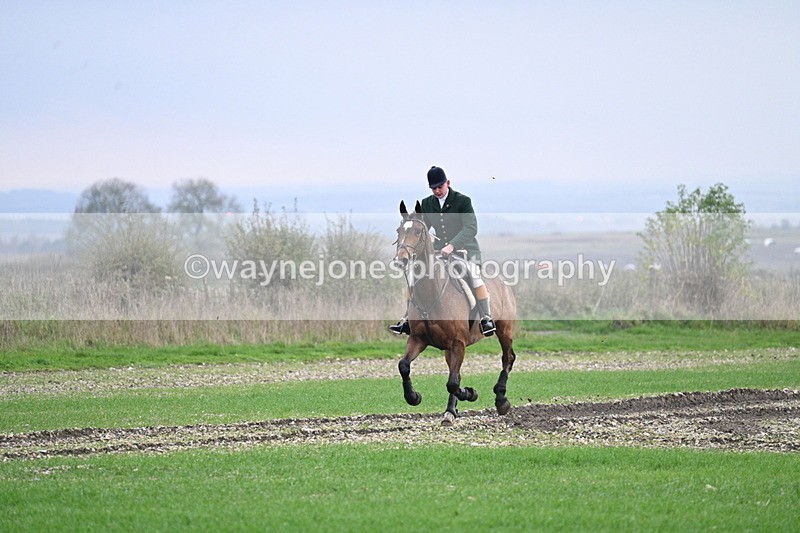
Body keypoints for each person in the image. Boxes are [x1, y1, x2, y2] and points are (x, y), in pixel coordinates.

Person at [389, 166, 496, 336]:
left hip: (465, 251)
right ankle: (408, 318)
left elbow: (471, 228)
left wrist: (452, 245)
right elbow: (422, 229)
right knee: (413, 276)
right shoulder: (426, 203)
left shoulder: (463, 201)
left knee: (474, 275)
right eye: (434, 188)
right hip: (439, 252)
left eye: (440, 187)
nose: (437, 191)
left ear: (448, 183)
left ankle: (485, 317)